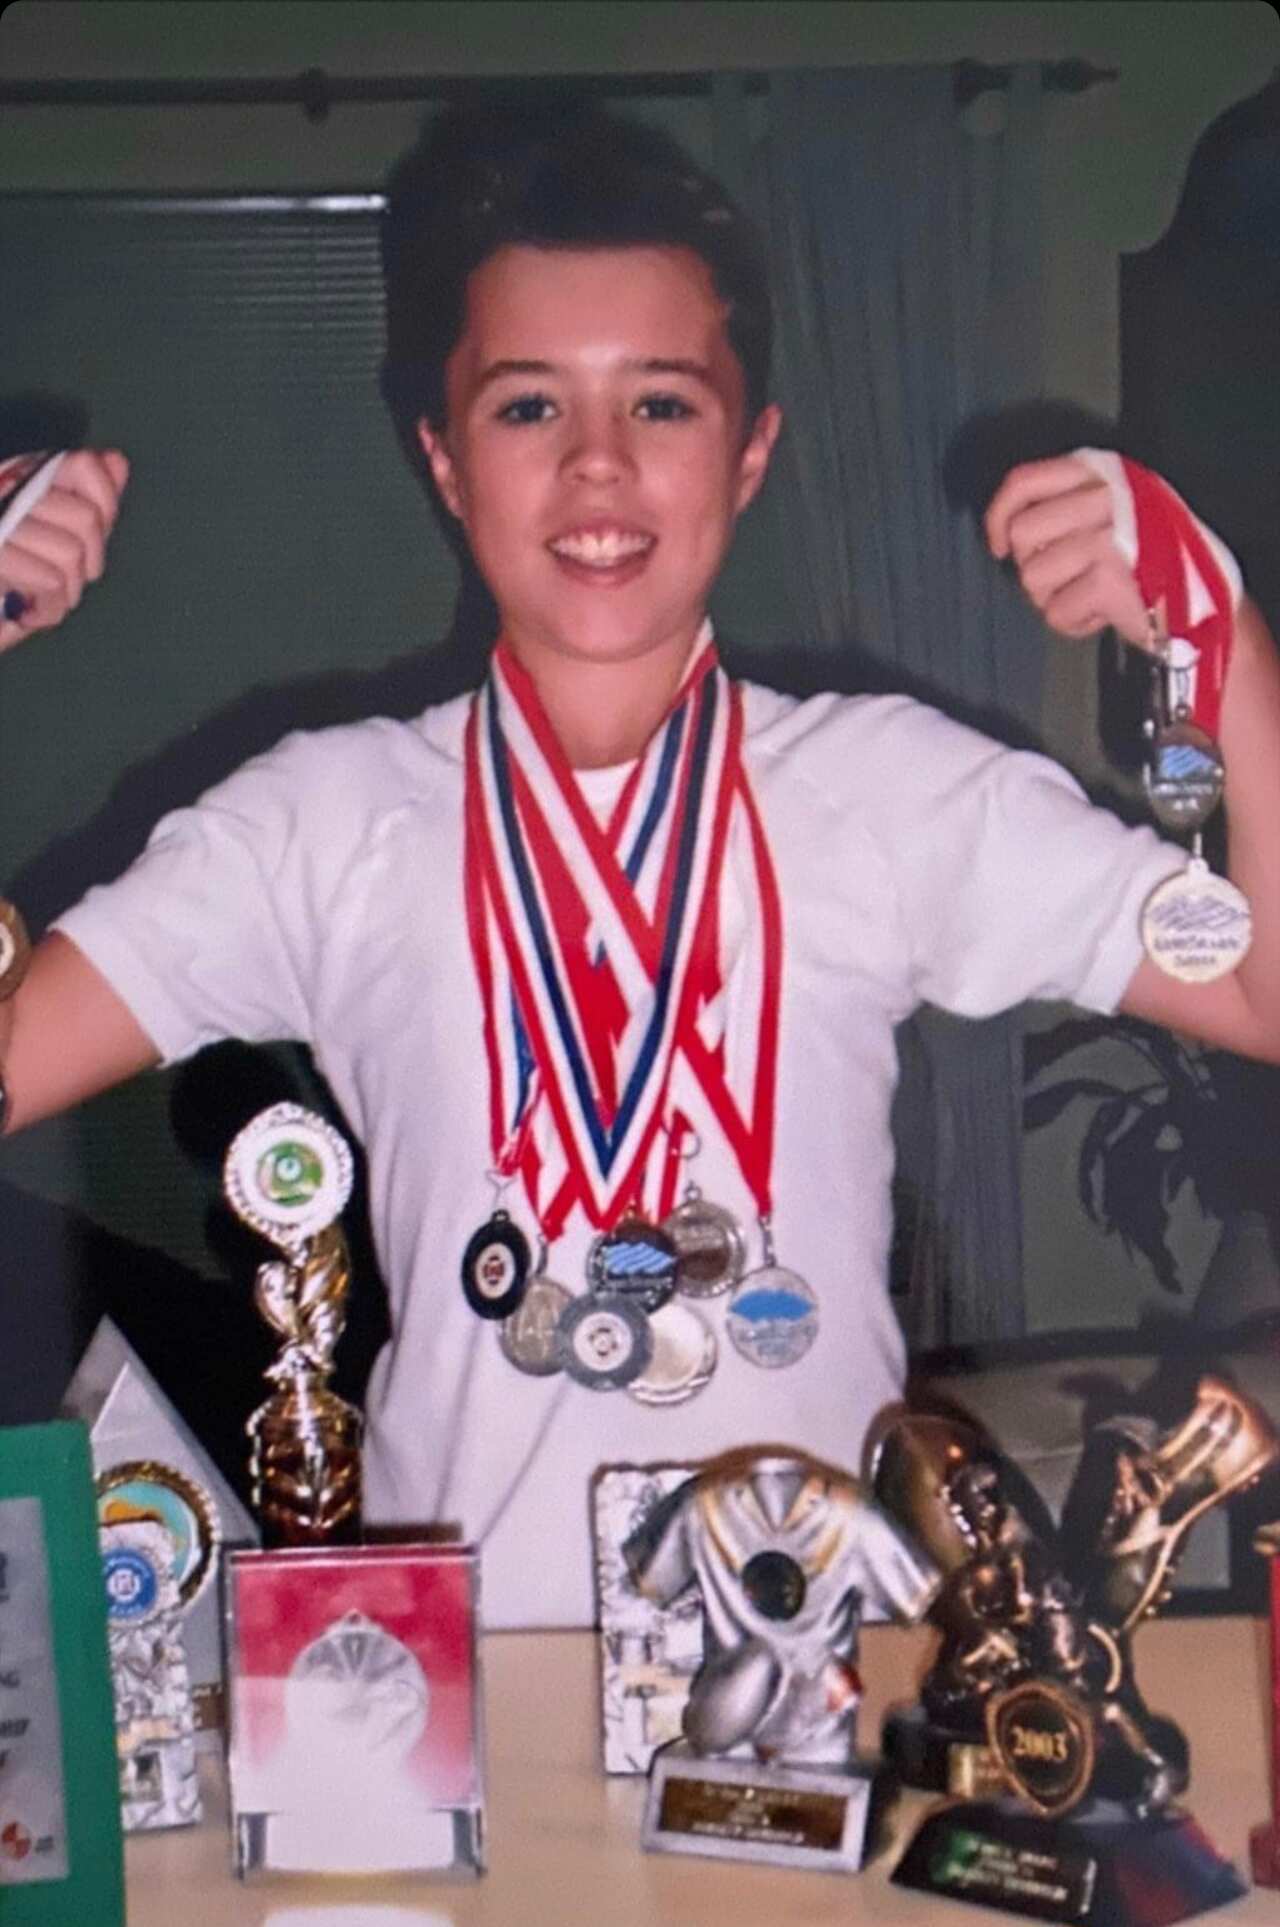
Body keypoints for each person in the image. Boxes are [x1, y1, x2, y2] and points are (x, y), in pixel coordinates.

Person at [2, 106, 1279, 1630]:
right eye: (529, 409)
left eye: (662, 407)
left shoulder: (892, 790)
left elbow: (1263, 991)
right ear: (446, 458)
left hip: (821, 1683)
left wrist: (1226, 645)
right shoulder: (319, 822)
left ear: (751, 455)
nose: (598, 469)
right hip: (451, 1698)